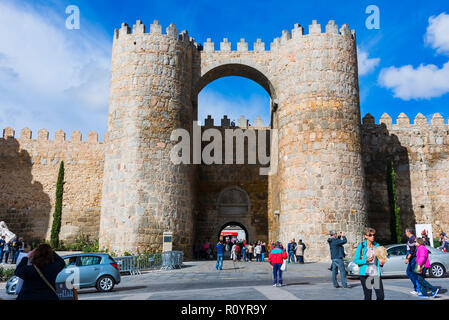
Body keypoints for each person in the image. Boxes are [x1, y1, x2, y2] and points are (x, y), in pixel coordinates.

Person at [353, 228, 385, 300]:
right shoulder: (361, 246)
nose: (372, 236)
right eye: (370, 235)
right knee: (368, 296)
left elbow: (380, 258)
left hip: (376, 274)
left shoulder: (377, 245)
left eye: (373, 235)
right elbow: (356, 260)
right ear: (365, 236)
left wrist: (382, 262)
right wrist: (365, 260)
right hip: (366, 275)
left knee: (380, 296)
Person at [405, 228, 421, 295]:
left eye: (405, 232)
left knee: (412, 273)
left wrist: (407, 258)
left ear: (408, 232)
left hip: (413, 259)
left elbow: (412, 251)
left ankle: (418, 289)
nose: (405, 233)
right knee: (410, 272)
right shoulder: (411, 239)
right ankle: (417, 288)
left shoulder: (412, 239)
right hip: (412, 259)